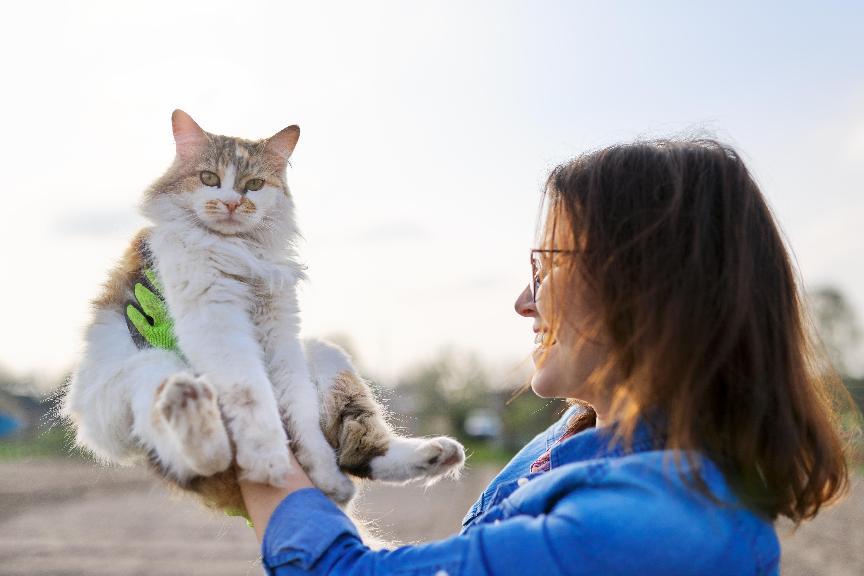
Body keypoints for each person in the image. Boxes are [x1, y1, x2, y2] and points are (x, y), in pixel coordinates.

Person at [147, 139, 855, 574]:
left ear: (644, 283)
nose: (524, 300)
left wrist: (255, 441)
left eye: (546, 266)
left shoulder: (660, 532)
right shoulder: (580, 432)